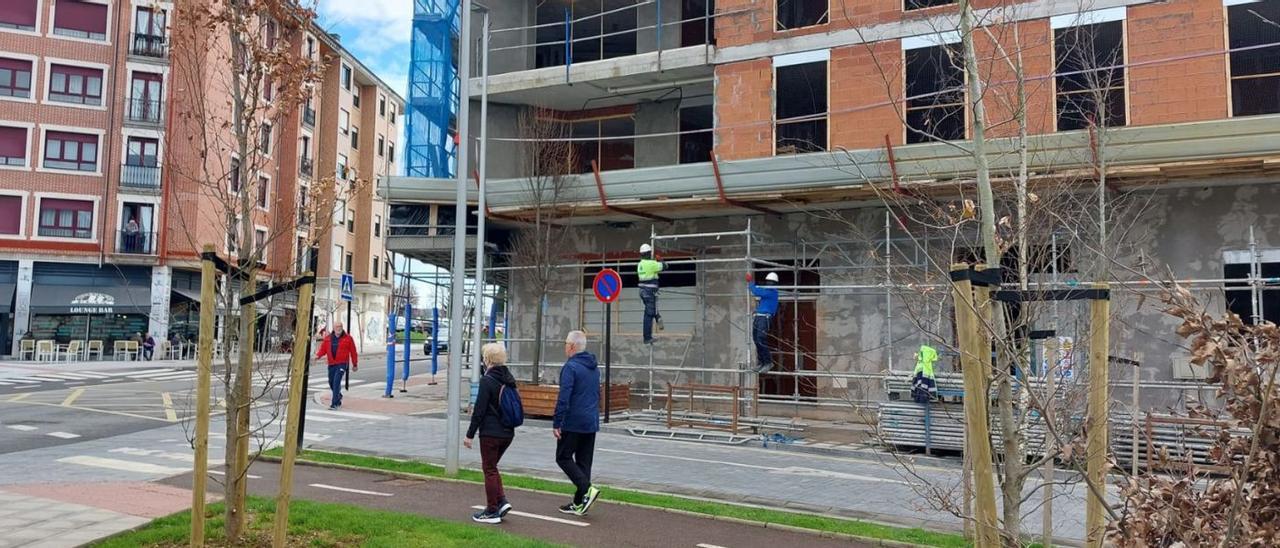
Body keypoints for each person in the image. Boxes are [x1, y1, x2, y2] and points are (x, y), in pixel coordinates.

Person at [465, 343, 518, 524]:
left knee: (488, 469)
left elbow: (479, 410)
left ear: (487, 360)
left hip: (490, 433)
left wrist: (469, 434)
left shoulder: (487, 381)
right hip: (507, 433)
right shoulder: (509, 379)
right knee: (493, 467)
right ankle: (501, 500)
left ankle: (492, 510)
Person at [553, 330, 601, 516]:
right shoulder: (594, 367)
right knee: (583, 462)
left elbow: (564, 396)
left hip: (573, 421)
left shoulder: (570, 367)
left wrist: (557, 421)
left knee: (563, 457)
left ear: (572, 346)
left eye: (566, 343)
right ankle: (580, 502)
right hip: (590, 421)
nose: (564, 346)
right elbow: (596, 393)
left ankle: (587, 489)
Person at [315, 321, 358, 409]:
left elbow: (353, 352)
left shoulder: (348, 338)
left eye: (340, 326)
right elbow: (323, 349)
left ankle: (335, 404)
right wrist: (318, 356)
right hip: (331, 364)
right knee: (331, 382)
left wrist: (355, 364)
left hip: (342, 364)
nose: (339, 328)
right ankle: (338, 395)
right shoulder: (328, 338)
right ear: (334, 328)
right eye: (337, 327)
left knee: (336, 382)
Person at [746, 272, 780, 373]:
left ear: (774, 284)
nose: (769, 283)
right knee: (756, 339)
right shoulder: (767, 292)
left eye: (771, 282)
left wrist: (750, 282)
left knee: (761, 339)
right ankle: (761, 362)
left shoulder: (772, 292)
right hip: (759, 317)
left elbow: (756, 291)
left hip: (764, 318)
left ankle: (768, 362)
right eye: (768, 282)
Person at [636, 244, 665, 344]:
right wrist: (660, 259)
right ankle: (647, 337)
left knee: (650, 309)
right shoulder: (651, 264)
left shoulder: (640, 264)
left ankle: (657, 317)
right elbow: (665, 266)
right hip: (650, 292)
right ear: (649, 253)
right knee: (648, 315)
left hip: (643, 292)